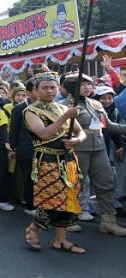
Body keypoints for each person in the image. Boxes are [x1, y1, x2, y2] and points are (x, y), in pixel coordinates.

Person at [23, 73, 86, 253]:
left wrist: (77, 141)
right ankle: (33, 229)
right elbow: (43, 134)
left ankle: (60, 240)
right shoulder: (30, 111)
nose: (50, 91)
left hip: (68, 160)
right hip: (47, 159)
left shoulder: (61, 108)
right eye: (45, 87)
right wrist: (65, 117)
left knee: (69, 198)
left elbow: (81, 133)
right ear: (36, 90)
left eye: (53, 87)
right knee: (52, 200)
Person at [60, 73, 126, 236]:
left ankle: (108, 221)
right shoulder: (63, 105)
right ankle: (68, 219)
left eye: (89, 84)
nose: (88, 87)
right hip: (78, 148)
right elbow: (59, 129)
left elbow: (108, 126)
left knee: (106, 183)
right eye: (83, 84)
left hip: (99, 147)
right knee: (74, 184)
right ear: (72, 87)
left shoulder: (96, 104)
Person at [93, 86, 126, 217]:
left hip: (105, 147)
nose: (107, 101)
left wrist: (119, 145)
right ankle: (84, 208)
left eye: (109, 98)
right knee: (91, 181)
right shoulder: (92, 110)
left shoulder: (114, 110)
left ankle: (113, 205)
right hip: (91, 148)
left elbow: (114, 130)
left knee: (108, 179)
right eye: (103, 98)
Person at [9, 79, 37, 215]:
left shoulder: (51, 107)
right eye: (39, 89)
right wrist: (13, 148)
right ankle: (30, 205)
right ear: (30, 92)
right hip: (25, 148)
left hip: (45, 149)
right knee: (28, 178)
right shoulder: (19, 108)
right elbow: (13, 130)